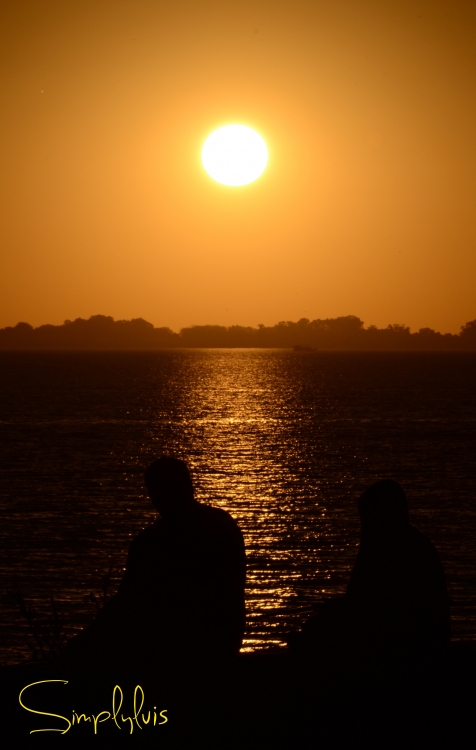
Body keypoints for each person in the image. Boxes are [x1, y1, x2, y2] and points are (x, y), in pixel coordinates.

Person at [65, 456, 246, 673]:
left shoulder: (152, 542)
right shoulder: (224, 523)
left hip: (180, 649)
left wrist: (81, 642)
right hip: (227, 639)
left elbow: (125, 602)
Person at [292, 480, 451, 683]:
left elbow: (371, 612)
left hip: (402, 650)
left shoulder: (385, 552)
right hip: (423, 644)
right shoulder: (418, 545)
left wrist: (338, 612)